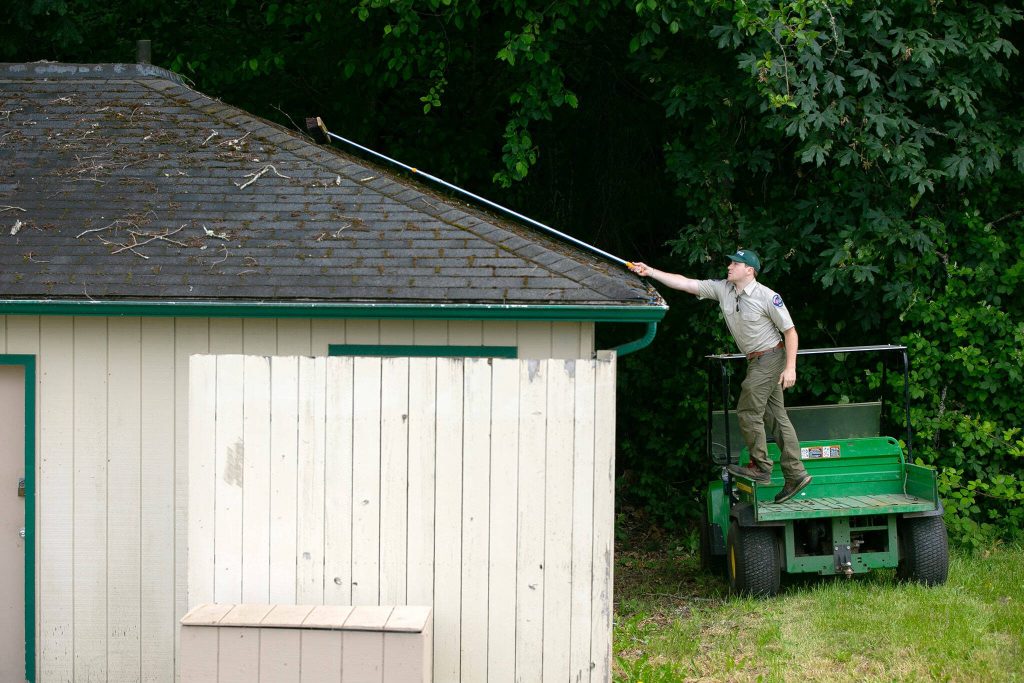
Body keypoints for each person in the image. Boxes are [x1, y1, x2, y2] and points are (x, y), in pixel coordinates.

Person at [629, 249, 812, 504]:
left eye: (736, 263)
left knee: (748, 410)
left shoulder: (767, 296)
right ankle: (796, 474)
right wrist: (650, 271)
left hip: (771, 357)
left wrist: (790, 367)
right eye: (730, 262)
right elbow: (686, 283)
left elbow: (790, 332)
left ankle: (761, 467)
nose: (729, 266)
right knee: (776, 417)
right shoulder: (724, 289)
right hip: (755, 360)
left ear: (750, 270)